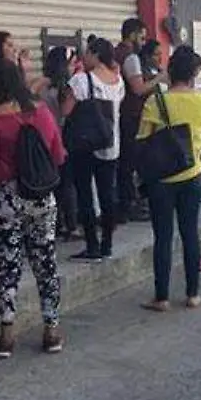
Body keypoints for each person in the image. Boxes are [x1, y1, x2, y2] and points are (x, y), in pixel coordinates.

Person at [0, 58, 67, 358]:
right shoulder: (41, 112)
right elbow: (58, 154)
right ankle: (52, 331)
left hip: (6, 200)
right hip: (41, 198)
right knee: (46, 263)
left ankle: (6, 336)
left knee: (7, 267)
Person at [138, 47, 201, 312]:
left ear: (170, 72)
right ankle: (193, 294)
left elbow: (143, 138)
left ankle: (162, 297)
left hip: (162, 179)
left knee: (163, 237)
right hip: (192, 174)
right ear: (193, 73)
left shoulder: (155, 102)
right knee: (190, 234)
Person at [63, 37, 126, 261]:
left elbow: (65, 110)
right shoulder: (118, 80)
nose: (84, 57)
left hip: (84, 144)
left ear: (96, 55)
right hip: (110, 142)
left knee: (85, 194)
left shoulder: (81, 80)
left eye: (87, 53)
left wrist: (69, 76)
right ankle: (107, 244)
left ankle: (92, 246)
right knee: (107, 194)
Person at [116, 18, 154, 224]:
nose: (143, 41)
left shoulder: (115, 53)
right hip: (132, 115)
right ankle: (130, 203)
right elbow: (138, 89)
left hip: (120, 114)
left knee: (125, 161)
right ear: (132, 35)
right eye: (142, 37)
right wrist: (160, 79)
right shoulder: (130, 58)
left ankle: (127, 202)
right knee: (131, 161)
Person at [42, 46, 79, 241]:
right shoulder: (66, 89)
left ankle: (54, 225)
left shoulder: (42, 88)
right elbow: (67, 113)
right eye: (72, 64)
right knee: (67, 184)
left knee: (53, 185)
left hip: (45, 141)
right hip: (64, 139)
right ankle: (71, 225)